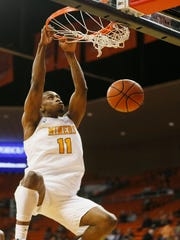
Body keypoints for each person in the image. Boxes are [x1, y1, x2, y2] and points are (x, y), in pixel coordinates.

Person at [14, 25, 117, 240]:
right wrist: (42, 47)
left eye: (58, 96)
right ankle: (20, 236)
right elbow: (36, 84)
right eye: (50, 97)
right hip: (39, 190)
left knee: (107, 221)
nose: (57, 98)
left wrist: (70, 54)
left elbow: (82, 90)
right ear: (40, 107)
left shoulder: (71, 120)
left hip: (68, 198)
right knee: (32, 175)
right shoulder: (33, 123)